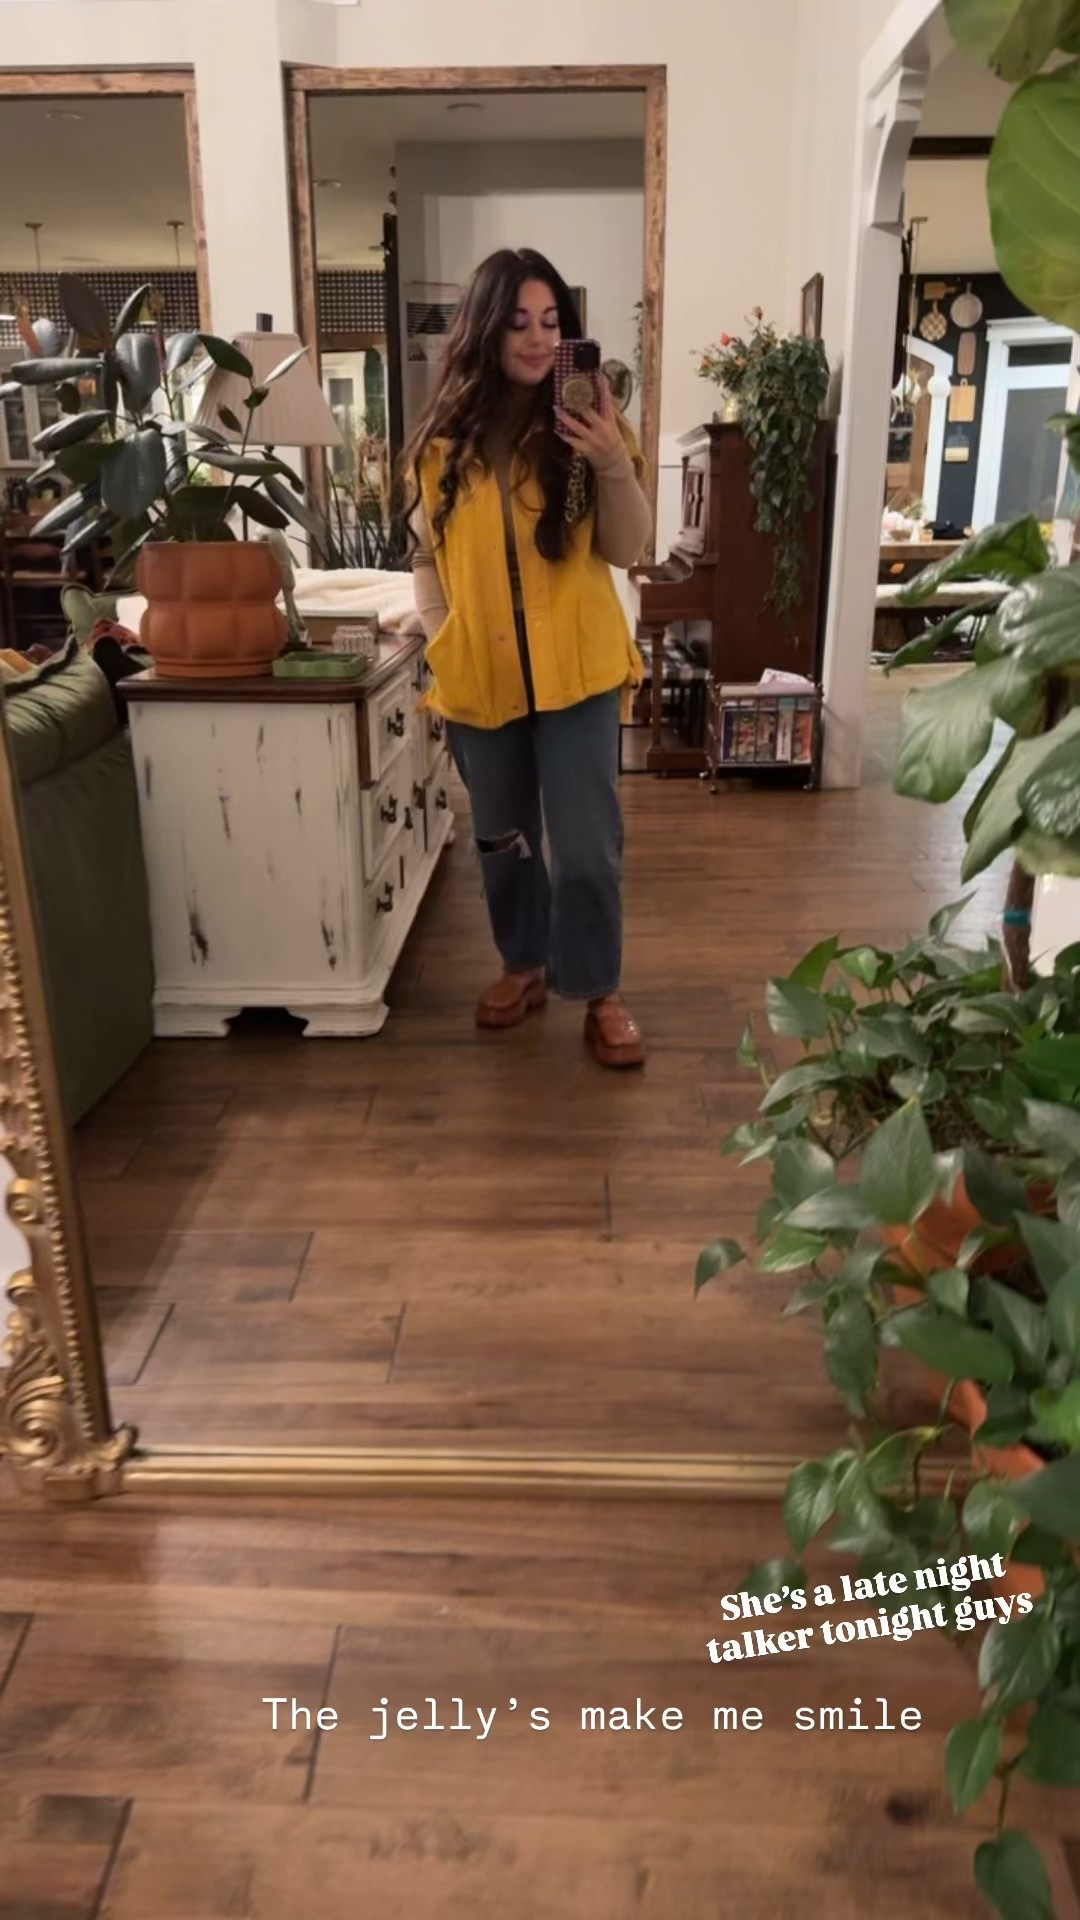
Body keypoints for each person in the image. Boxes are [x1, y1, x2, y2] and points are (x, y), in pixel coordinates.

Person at [404, 248, 652, 1069]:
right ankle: (524, 964)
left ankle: (600, 989)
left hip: (578, 668)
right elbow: (425, 557)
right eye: (518, 323)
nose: (539, 339)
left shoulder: (591, 426)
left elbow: (627, 548)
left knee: (586, 846)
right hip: (481, 670)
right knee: (502, 839)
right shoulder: (440, 445)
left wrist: (608, 457)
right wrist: (441, 636)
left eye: (551, 322)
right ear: (485, 330)